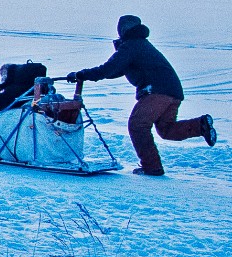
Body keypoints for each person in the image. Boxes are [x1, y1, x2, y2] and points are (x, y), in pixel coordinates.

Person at [64, 16, 216, 176]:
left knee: (137, 125)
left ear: (123, 30)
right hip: (173, 92)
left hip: (157, 91)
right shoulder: (140, 45)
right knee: (166, 129)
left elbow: (108, 69)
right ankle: (201, 125)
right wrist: (85, 75)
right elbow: (115, 71)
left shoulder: (132, 46)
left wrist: (81, 74)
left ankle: (152, 168)